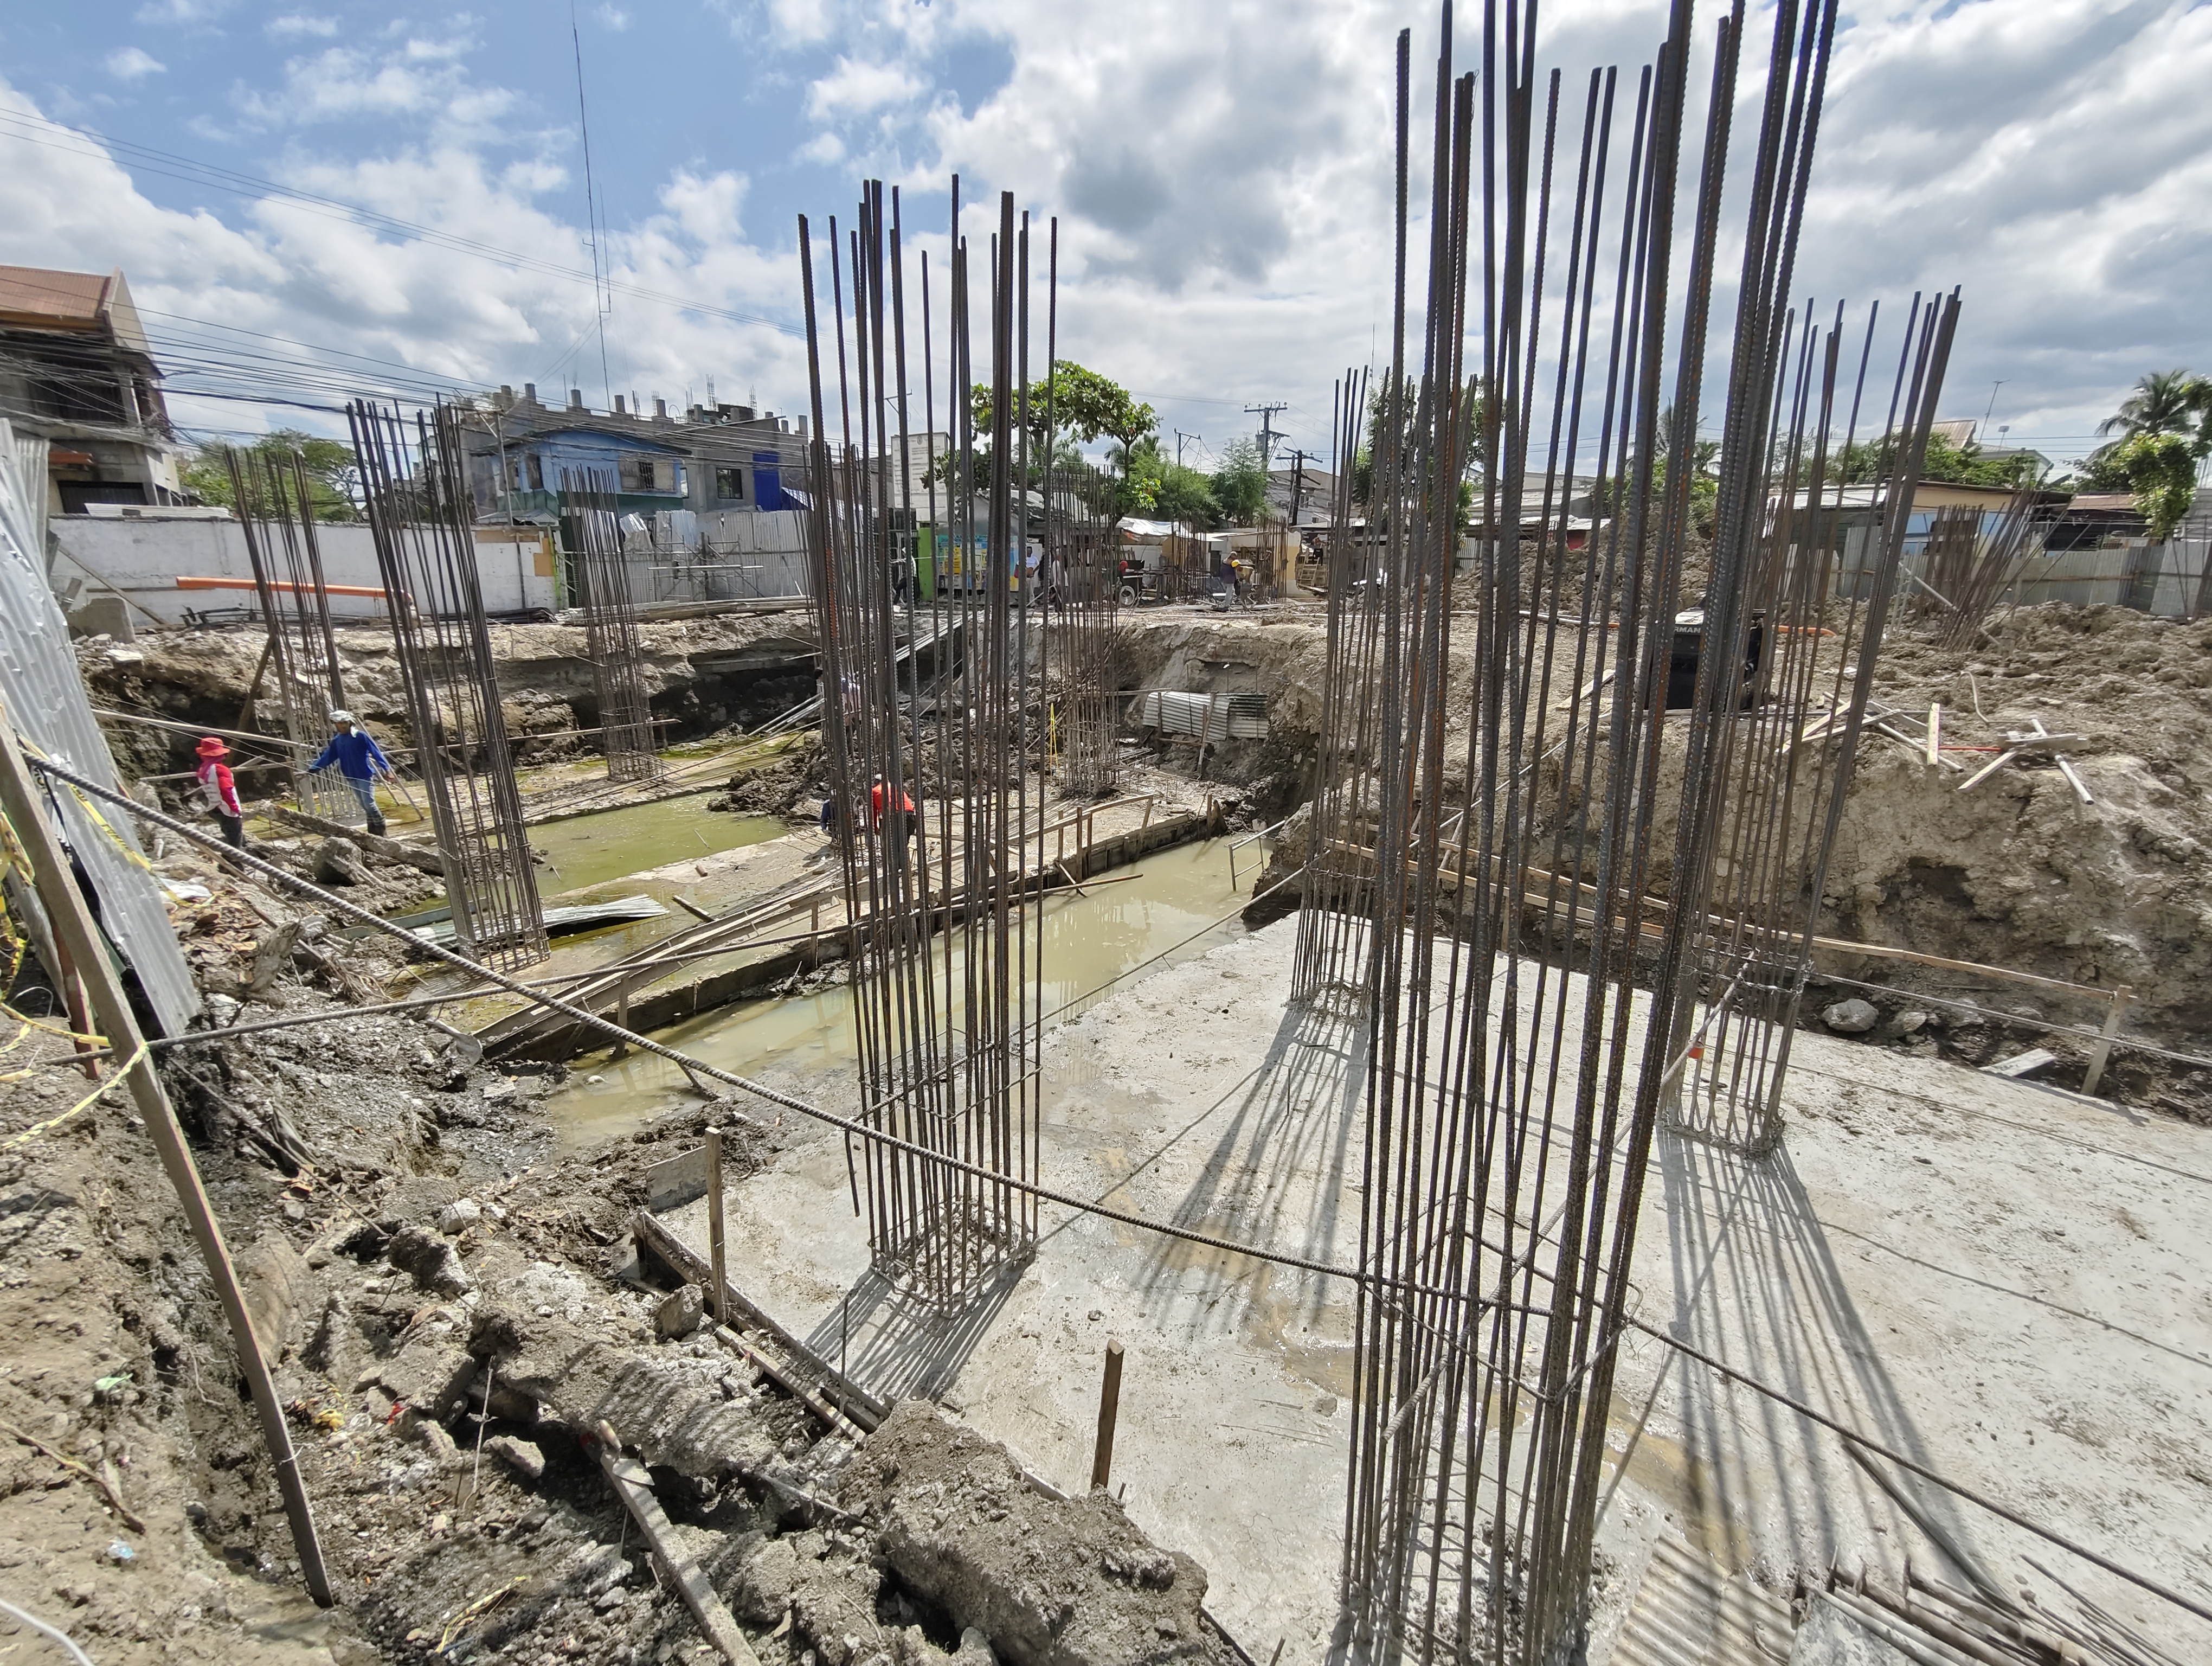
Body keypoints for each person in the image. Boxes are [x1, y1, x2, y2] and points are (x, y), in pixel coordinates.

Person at [310, 709, 395, 836]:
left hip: (364, 775)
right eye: (340, 723)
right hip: (351, 776)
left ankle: (382, 831)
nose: (343, 725)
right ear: (336, 724)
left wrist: (387, 769)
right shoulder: (338, 741)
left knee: (369, 804)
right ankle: (373, 832)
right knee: (364, 805)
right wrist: (311, 770)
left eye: (345, 722)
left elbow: (376, 752)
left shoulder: (360, 736)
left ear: (350, 722)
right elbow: (328, 757)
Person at [194, 736, 246, 849]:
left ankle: (230, 860)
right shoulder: (221, 769)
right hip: (226, 808)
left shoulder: (203, 770)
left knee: (229, 834)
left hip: (214, 808)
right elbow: (225, 789)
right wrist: (234, 808)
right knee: (235, 843)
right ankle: (232, 864)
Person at [869, 774, 920, 875]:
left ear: (876, 782)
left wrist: (875, 827)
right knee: (903, 843)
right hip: (910, 816)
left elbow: (873, 812)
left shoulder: (874, 791)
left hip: (892, 816)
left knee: (893, 845)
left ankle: (898, 870)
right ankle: (905, 868)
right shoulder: (897, 787)